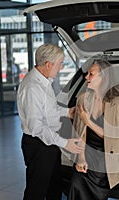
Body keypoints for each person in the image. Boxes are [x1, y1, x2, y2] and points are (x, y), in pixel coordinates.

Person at [17, 43, 84, 200]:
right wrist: (64, 143)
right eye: (60, 64)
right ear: (48, 65)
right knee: (37, 191)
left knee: (54, 186)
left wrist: (67, 112)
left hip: (49, 143)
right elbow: (37, 127)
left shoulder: (44, 81)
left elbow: (48, 111)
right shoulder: (33, 87)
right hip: (38, 145)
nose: (60, 68)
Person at [68, 59, 119, 200]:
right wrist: (80, 159)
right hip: (87, 153)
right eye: (87, 74)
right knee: (76, 184)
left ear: (103, 77)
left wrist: (88, 121)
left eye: (91, 74)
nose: (86, 77)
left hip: (107, 158)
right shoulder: (82, 99)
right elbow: (79, 133)